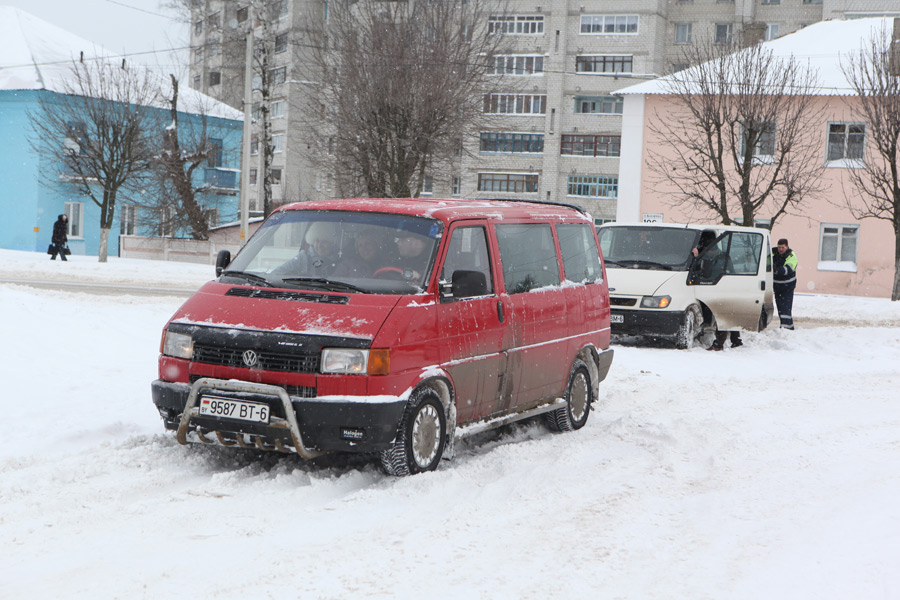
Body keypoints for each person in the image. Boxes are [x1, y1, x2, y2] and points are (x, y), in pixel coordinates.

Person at [274, 221, 340, 277]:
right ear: (312, 240)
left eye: (324, 242)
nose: (320, 245)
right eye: (317, 241)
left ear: (332, 243)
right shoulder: (303, 257)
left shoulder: (340, 261)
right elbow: (276, 274)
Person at [773, 237, 798, 330]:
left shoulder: (791, 255)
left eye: (782, 247)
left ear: (787, 246)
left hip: (787, 286)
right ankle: (785, 327)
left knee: (786, 308)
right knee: (780, 307)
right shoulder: (773, 252)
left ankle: (787, 329)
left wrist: (776, 269)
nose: (780, 249)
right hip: (776, 285)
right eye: (779, 247)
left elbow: (789, 269)